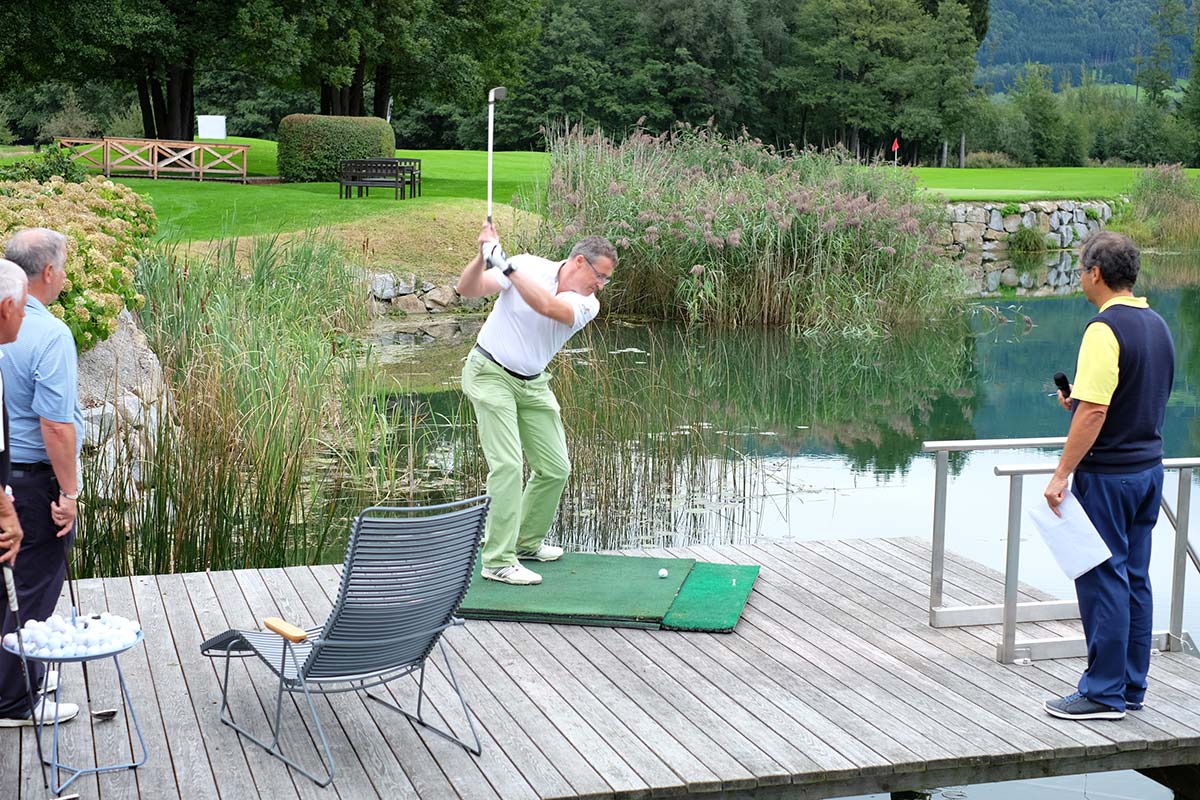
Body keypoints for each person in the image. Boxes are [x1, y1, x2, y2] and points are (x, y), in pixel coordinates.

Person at [1042, 231, 1174, 721]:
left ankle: (1102, 693)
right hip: (1147, 472)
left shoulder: (1103, 329)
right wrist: (1080, 400)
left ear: (1095, 273)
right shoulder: (1156, 323)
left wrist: (1061, 474)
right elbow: (1131, 393)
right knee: (1135, 579)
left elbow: (1095, 412)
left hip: (1108, 477)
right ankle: (1131, 687)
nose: (1082, 278)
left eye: (1082, 270)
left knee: (1104, 581)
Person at [457, 223, 616, 585]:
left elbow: (547, 306)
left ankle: (526, 543)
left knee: (555, 468)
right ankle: (497, 560)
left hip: (533, 383)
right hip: (489, 372)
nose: (602, 285)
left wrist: (506, 264)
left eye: (606, 279)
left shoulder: (587, 304)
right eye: (600, 275)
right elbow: (468, 289)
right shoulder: (528, 265)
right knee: (508, 466)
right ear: (580, 261)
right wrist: (482, 258)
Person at [0, 229, 83, 727]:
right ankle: (14, 700)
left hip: (5, 478)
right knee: (31, 586)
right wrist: (69, 493)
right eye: (64, 267)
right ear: (48, 272)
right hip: (34, 482)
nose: (65, 276)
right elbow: (55, 425)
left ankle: (17, 672)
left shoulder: (12, 324)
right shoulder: (50, 335)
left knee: (6, 582)